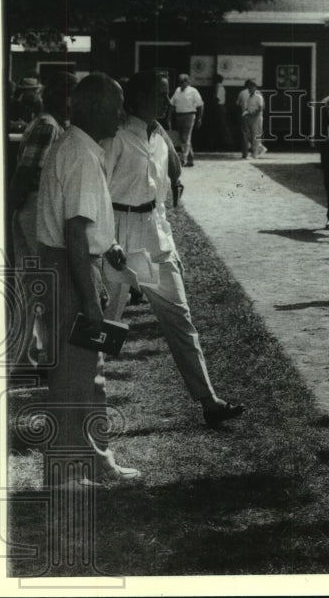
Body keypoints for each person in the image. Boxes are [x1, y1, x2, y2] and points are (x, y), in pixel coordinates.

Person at [101, 70, 246, 428]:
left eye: (167, 95)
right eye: (158, 95)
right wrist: (107, 242)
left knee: (180, 319)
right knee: (104, 323)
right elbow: (98, 194)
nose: (166, 102)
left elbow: (160, 200)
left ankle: (209, 401)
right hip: (118, 237)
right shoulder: (115, 138)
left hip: (154, 237)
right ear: (134, 99)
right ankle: (83, 397)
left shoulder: (160, 140)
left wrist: (169, 242)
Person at [35, 72, 136, 487]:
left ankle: (94, 458)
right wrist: (91, 302)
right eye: (115, 107)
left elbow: (86, 225)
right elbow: (76, 230)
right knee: (72, 378)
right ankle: (64, 471)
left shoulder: (82, 148)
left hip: (75, 264)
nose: (121, 115)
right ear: (93, 107)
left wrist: (107, 245)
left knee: (87, 371)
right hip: (69, 267)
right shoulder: (78, 152)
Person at [7, 71, 80, 371]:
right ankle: (39, 358)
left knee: (31, 286)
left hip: (31, 205)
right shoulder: (49, 127)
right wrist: (13, 205)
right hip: (35, 205)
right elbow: (27, 171)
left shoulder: (48, 124)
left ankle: (24, 358)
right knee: (43, 286)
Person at [170, 73, 204, 167]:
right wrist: (169, 116)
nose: (181, 84)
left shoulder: (193, 91)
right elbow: (173, 104)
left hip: (189, 115)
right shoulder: (177, 90)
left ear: (188, 81)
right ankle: (190, 159)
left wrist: (199, 118)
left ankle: (183, 158)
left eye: (183, 81)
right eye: (180, 82)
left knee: (185, 137)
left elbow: (200, 105)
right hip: (179, 115)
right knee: (183, 138)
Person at [236, 79, 265, 159]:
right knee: (249, 136)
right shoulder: (249, 97)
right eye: (249, 88)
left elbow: (260, 108)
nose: (249, 89)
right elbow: (247, 108)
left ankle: (255, 154)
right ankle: (257, 150)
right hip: (249, 118)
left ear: (255, 88)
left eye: (251, 87)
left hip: (256, 118)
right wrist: (246, 114)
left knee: (256, 135)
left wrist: (253, 114)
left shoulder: (258, 97)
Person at [212, 73, 233, 150]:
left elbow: (217, 98)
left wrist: (213, 105)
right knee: (220, 125)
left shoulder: (219, 87)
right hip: (220, 107)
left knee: (223, 125)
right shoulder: (220, 87)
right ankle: (223, 142)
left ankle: (229, 143)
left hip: (219, 107)